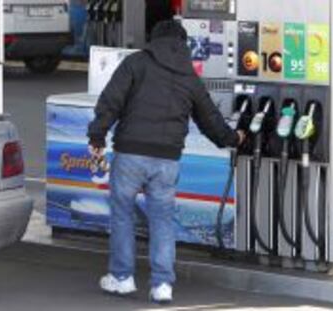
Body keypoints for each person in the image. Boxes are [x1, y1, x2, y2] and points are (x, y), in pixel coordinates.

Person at [87, 20, 245, 304]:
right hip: (167, 160)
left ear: (153, 39)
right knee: (162, 220)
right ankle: (162, 284)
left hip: (130, 154)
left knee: (122, 215)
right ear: (183, 43)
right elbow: (210, 119)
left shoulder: (136, 63)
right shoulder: (189, 76)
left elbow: (111, 101)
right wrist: (232, 138)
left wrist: (97, 137)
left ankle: (122, 278)